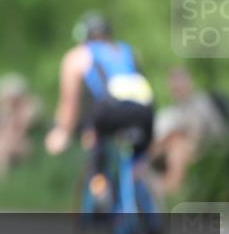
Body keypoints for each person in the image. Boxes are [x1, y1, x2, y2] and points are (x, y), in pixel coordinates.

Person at [45, 12, 155, 177]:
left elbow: (70, 102)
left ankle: (100, 185)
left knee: (95, 136)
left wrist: (63, 132)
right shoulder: (129, 51)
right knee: (138, 165)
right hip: (145, 113)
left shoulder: (78, 55)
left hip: (110, 111)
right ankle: (141, 181)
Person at [152, 66, 229, 193]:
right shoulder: (171, 111)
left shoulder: (203, 104)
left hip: (203, 149)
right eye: (174, 83)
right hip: (169, 150)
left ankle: (170, 188)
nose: (177, 87)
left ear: (190, 82)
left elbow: (214, 135)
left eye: (181, 82)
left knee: (176, 144)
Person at [0, 73, 41, 177]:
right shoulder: (4, 110)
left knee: (2, 150)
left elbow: (23, 129)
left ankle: (5, 180)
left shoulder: (29, 108)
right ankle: (1, 180)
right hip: (8, 141)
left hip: (27, 142)